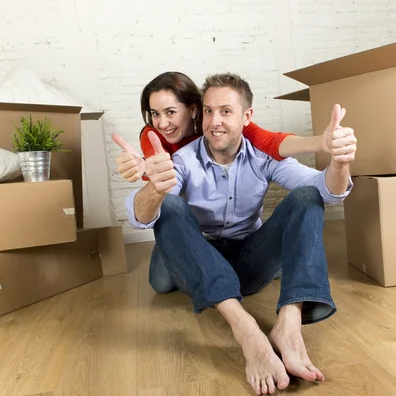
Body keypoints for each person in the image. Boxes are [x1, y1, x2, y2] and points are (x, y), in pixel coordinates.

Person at [124, 72, 356, 395]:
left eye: (226, 111)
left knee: (308, 197)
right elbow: (143, 213)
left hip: (248, 257)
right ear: (199, 113)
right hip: (202, 258)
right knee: (169, 206)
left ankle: (289, 325)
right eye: (208, 111)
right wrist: (154, 189)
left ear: (247, 117)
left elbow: (325, 190)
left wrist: (340, 163)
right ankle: (245, 328)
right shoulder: (183, 160)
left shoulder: (264, 155)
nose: (214, 121)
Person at [112, 71, 332, 183]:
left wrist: (320, 142)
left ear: (193, 109)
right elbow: (157, 169)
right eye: (154, 114)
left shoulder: (217, 126)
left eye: (171, 112)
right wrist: (144, 168)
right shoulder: (152, 135)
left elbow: (271, 141)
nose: (162, 123)